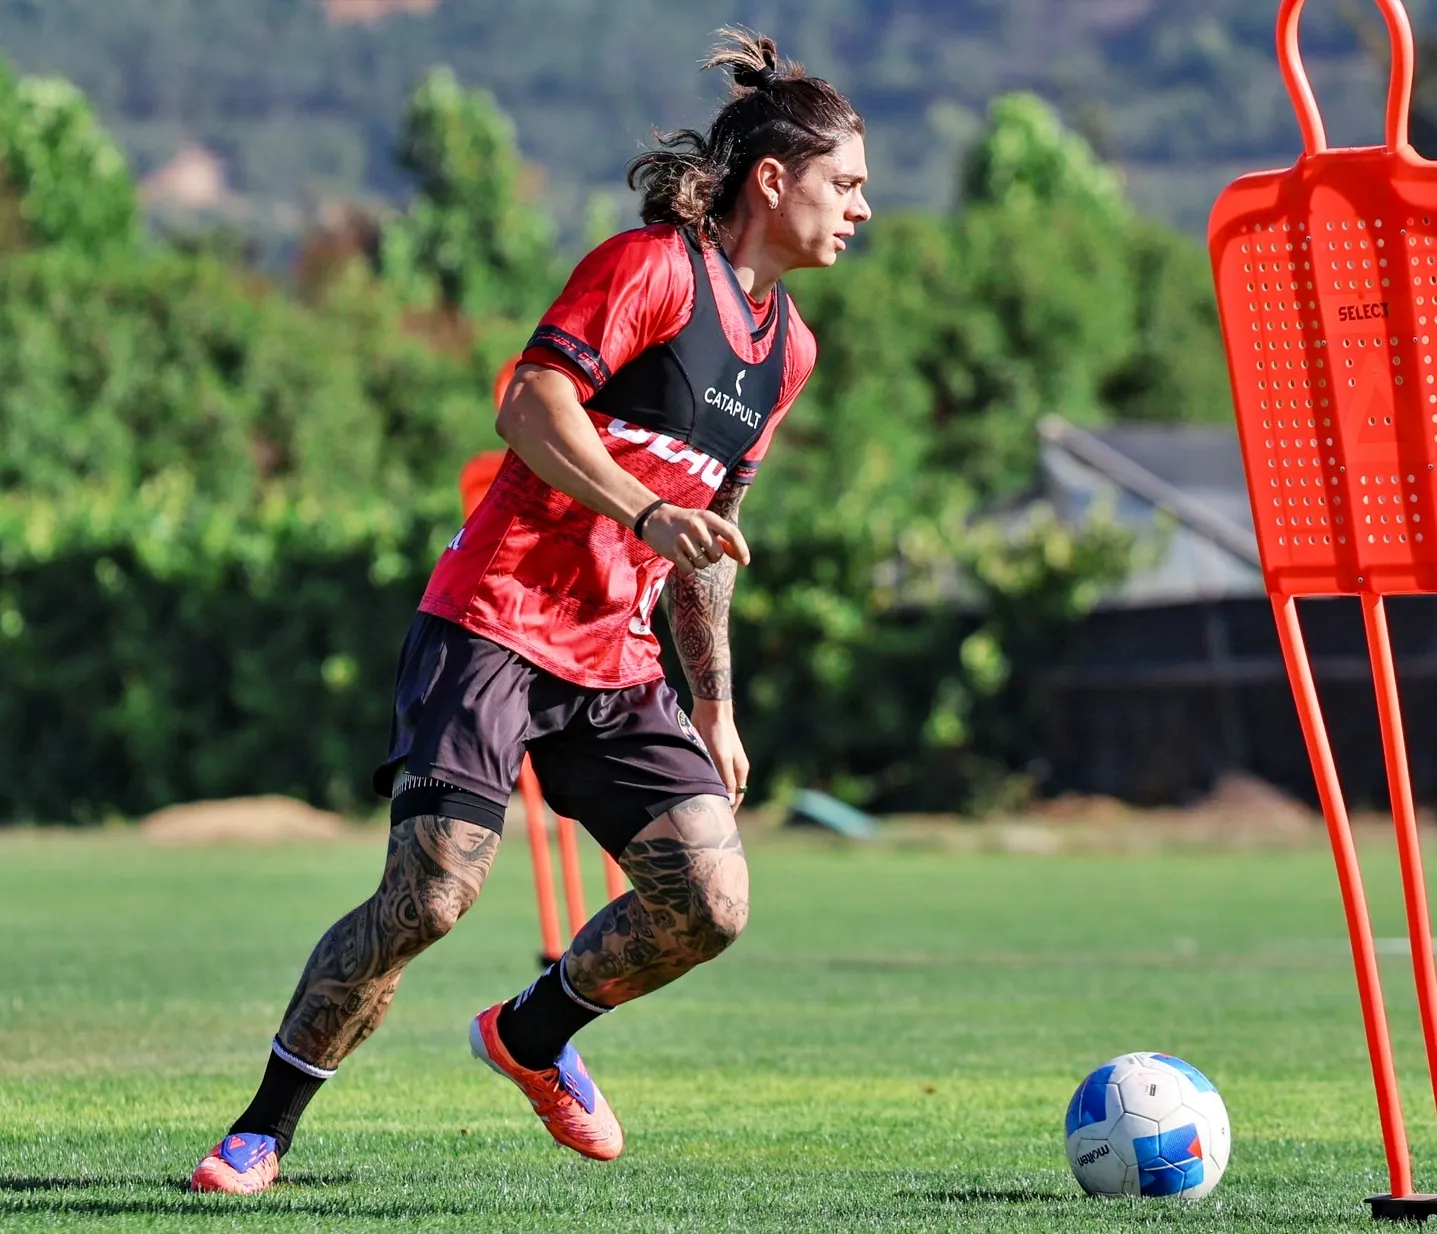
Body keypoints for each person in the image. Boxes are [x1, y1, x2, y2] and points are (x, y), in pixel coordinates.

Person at [190, 28, 870, 1194]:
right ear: (774, 180)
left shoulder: (789, 350)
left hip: (615, 659)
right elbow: (529, 405)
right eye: (845, 183)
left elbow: (710, 542)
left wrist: (716, 705)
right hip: (493, 621)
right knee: (431, 897)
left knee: (712, 902)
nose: (861, 208)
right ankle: (262, 1130)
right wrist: (644, 509)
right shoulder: (652, 269)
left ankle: (533, 1033)